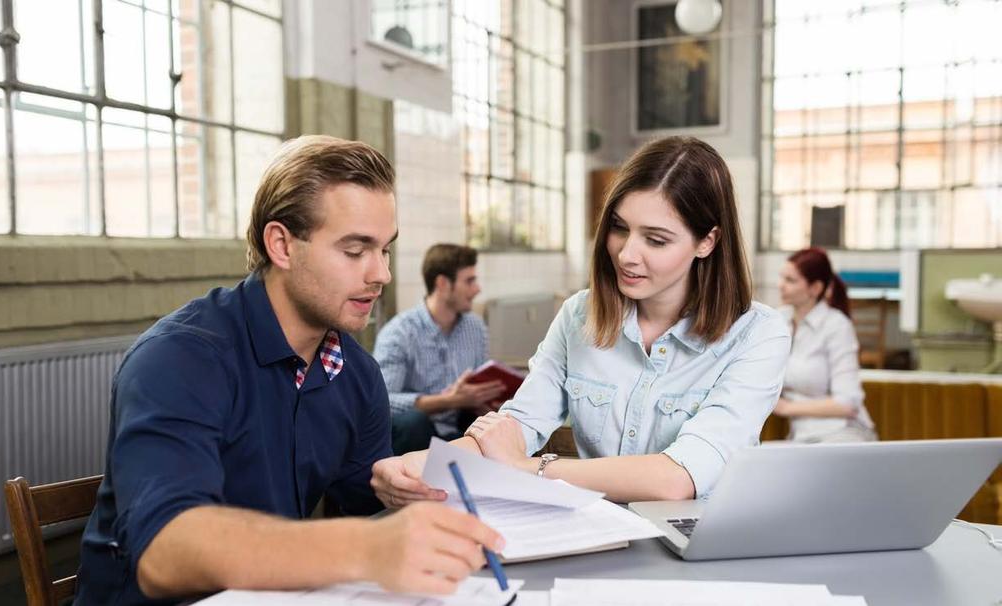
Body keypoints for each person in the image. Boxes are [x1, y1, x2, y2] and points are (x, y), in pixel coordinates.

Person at [75, 136, 503, 605]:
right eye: (356, 250)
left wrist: (401, 486)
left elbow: (367, 493)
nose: (380, 273)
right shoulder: (179, 358)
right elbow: (163, 553)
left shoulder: (354, 370)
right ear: (281, 244)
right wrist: (365, 547)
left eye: (384, 250)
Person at [370, 136, 791, 507]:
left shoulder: (758, 334)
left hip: (699, 542)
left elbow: (678, 478)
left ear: (707, 241)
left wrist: (527, 469)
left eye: (656, 240)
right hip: (598, 531)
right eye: (620, 228)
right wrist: (423, 465)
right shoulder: (578, 314)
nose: (627, 254)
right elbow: (520, 422)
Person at [374, 244, 506, 455]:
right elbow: (382, 401)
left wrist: (486, 401)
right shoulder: (399, 333)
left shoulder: (475, 327)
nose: (478, 289)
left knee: (496, 421)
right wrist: (447, 401)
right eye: (469, 281)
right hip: (417, 436)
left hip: (461, 429)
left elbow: (480, 381)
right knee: (412, 422)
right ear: (443, 284)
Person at [772, 247, 877, 443]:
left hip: (843, 432)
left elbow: (847, 403)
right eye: (781, 277)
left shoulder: (836, 326)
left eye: (790, 280)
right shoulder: (778, 320)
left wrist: (785, 407)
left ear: (815, 288)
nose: (780, 285)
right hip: (801, 437)